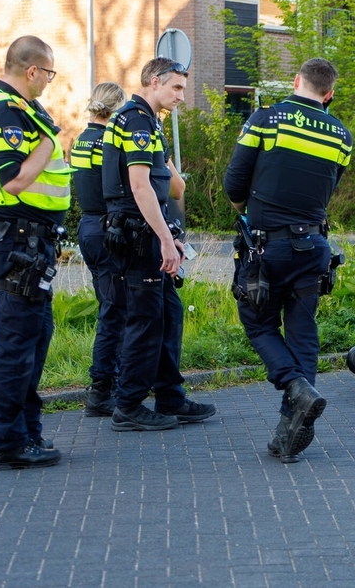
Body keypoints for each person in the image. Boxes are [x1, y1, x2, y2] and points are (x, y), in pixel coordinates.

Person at [223, 58, 352, 464]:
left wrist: (248, 204)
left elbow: (234, 184)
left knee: (257, 322)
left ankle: (294, 385)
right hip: (313, 246)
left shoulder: (266, 119)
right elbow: (328, 189)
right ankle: (289, 433)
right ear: (329, 94)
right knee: (303, 334)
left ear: (296, 82)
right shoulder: (342, 136)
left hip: (267, 248)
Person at [0, 35, 68, 470]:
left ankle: (27, 431)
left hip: (29, 240)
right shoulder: (5, 111)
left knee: (35, 337)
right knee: (16, 344)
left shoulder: (22, 110)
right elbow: (14, 181)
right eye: (49, 73)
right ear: (32, 71)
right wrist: (51, 136)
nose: (49, 80)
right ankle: (8, 443)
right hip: (15, 240)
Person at [101, 57, 214, 431]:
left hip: (148, 233)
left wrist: (171, 236)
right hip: (137, 238)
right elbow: (139, 186)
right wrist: (166, 240)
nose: (182, 96)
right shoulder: (135, 119)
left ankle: (170, 397)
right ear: (153, 81)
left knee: (168, 314)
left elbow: (165, 188)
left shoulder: (148, 121)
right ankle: (129, 405)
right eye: (177, 87)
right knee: (146, 321)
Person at [70, 82, 127, 417]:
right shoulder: (107, 142)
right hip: (108, 230)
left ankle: (109, 383)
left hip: (88, 229)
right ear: (115, 109)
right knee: (114, 312)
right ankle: (103, 389)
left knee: (111, 308)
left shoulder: (81, 139)